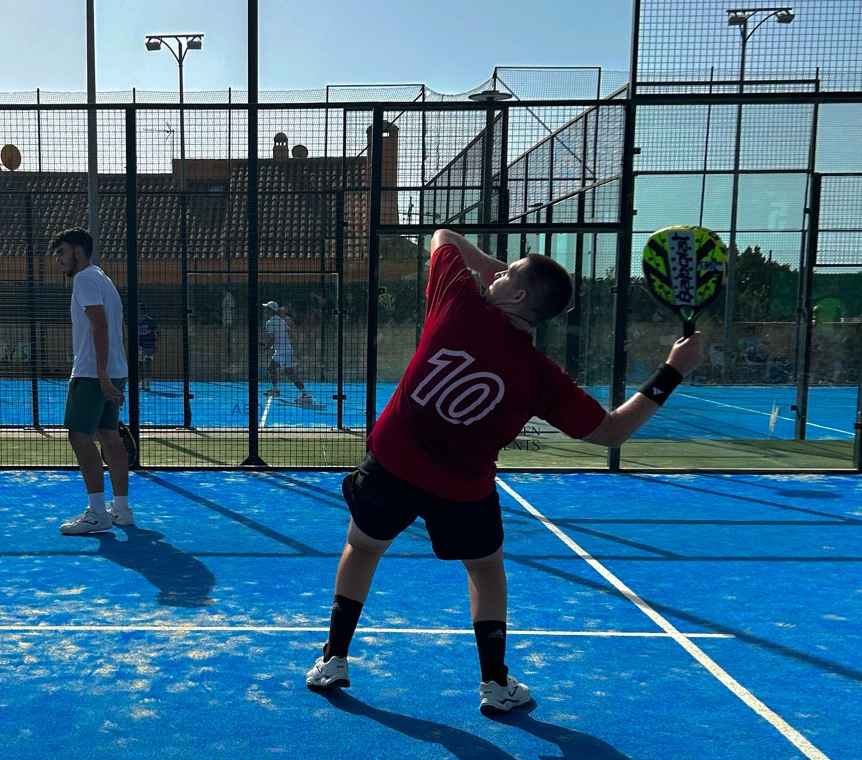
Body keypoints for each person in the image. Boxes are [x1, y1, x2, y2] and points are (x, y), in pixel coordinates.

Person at [306, 230, 704, 712]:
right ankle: (495, 684)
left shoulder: (459, 303)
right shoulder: (541, 375)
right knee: (485, 568)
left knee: (363, 547)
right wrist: (672, 371)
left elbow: (443, 236)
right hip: (461, 488)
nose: (496, 274)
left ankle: (333, 659)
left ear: (517, 295)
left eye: (509, 272)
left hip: (392, 464)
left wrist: (483, 261)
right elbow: (612, 431)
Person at [49, 228, 134, 535]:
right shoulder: (104, 279)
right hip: (114, 369)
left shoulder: (84, 279)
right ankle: (121, 510)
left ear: (78, 252)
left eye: (62, 252)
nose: (59, 259)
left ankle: (97, 513)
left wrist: (100, 372)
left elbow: (100, 325)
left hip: (91, 373)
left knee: (79, 437)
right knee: (109, 436)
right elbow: (118, 329)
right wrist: (115, 370)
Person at [262, 300, 314, 406]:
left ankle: (305, 394)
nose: (265, 309)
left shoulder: (270, 323)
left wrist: (266, 348)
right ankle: (275, 390)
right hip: (285, 350)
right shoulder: (281, 320)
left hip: (282, 352)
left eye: (267, 308)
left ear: (271, 310)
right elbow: (289, 332)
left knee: (289, 373)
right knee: (271, 368)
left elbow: (272, 339)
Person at [137, 309, 158, 392]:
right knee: (140, 364)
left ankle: (147, 381)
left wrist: (154, 344)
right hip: (139, 345)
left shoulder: (150, 321)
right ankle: (141, 381)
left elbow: (155, 333)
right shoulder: (135, 320)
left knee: (148, 363)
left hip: (149, 345)